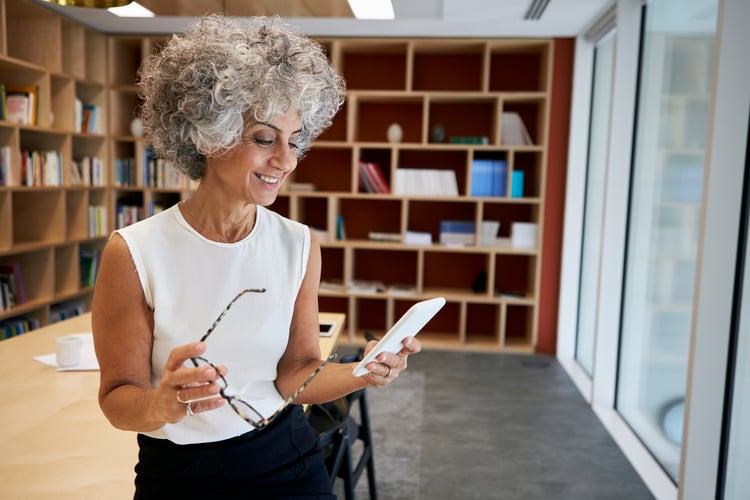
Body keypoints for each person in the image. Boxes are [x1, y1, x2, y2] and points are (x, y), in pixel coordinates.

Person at [91, 14, 422, 499]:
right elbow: (118, 399)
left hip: (286, 457)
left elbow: (296, 374)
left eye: (295, 141)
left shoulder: (299, 244)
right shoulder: (135, 252)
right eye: (265, 139)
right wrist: (162, 404)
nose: (285, 160)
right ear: (207, 134)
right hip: (181, 477)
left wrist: (361, 372)